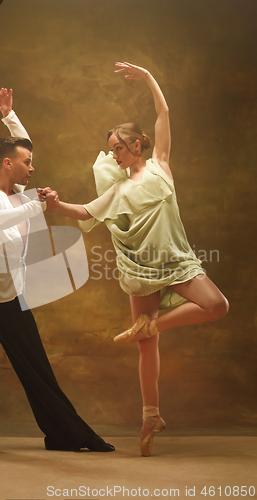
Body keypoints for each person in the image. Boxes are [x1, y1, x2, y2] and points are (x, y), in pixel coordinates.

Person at [44, 61, 229, 457]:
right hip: (141, 271)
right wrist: (57, 204)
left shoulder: (161, 167)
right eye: (110, 150)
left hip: (177, 262)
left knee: (215, 306)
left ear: (136, 145)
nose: (113, 154)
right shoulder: (118, 190)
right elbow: (85, 213)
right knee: (147, 349)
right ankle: (150, 417)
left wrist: (147, 78)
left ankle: (150, 325)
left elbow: (163, 114)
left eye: (118, 148)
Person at [0, 84, 115, 456]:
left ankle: (69, 436)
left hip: (9, 293)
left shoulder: (22, 196)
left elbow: (22, 143)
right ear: (8, 163)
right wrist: (36, 208)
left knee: (37, 368)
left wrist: (8, 114)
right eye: (27, 162)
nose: (32, 167)